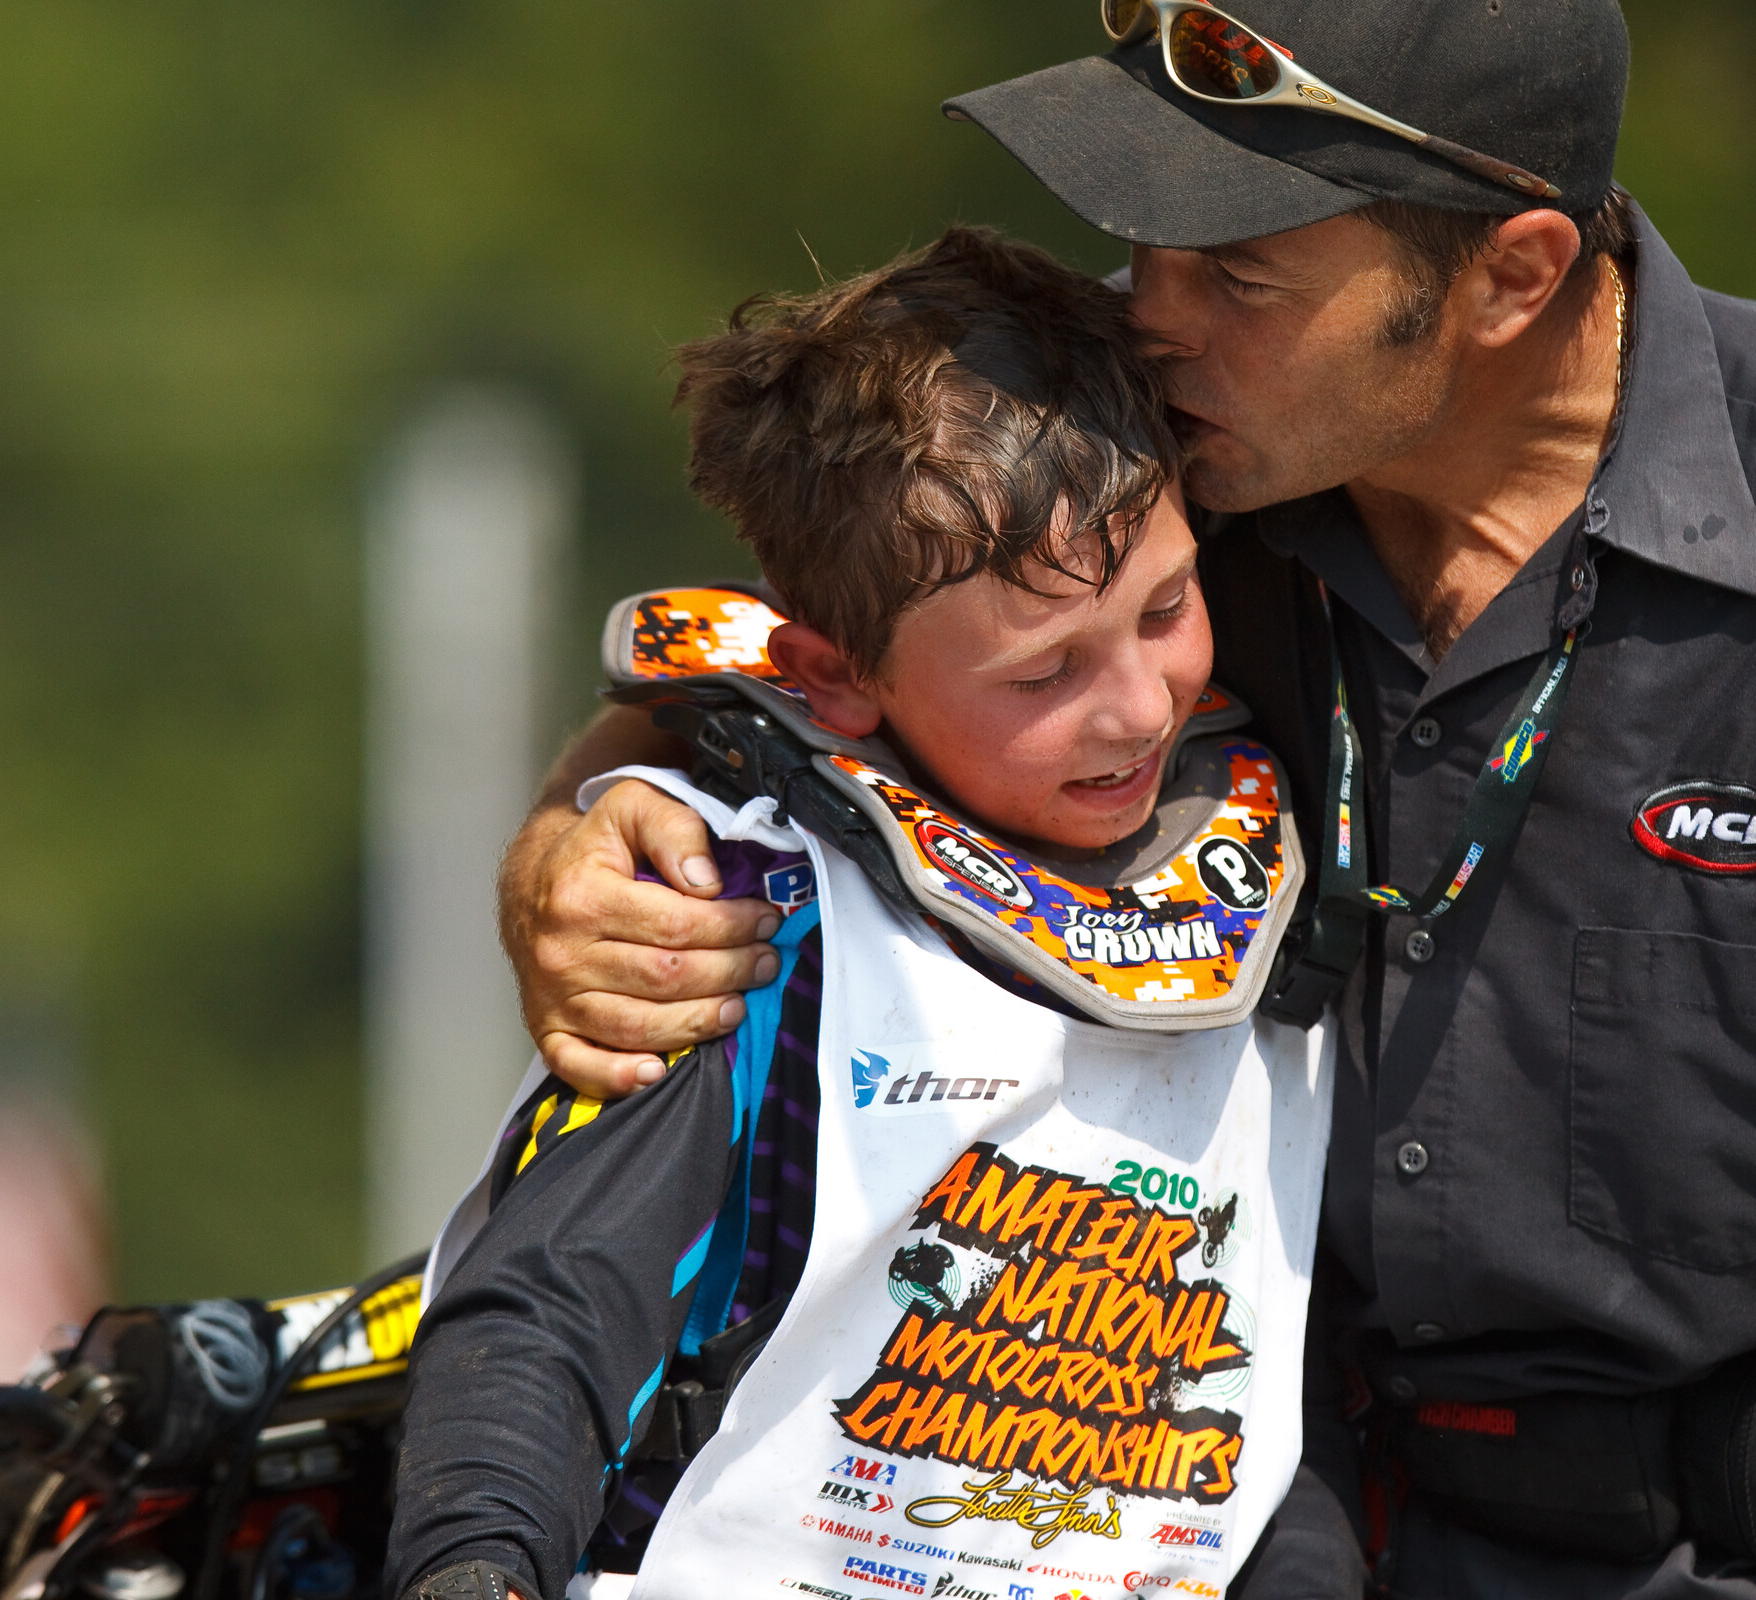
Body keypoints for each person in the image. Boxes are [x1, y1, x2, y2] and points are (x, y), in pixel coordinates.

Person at [496, 1, 1756, 1596]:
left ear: (1513, 276)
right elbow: (787, 675)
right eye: (1148, 239)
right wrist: (572, 851)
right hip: (1299, 1535)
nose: (1150, 314)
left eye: (1236, 270)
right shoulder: (1156, 468)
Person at [392, 228, 1335, 1600]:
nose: (1137, 705)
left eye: (1168, 609)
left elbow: (1266, 1434)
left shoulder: (1284, 875)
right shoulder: (748, 906)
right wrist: (472, 1563)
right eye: (1041, 675)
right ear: (835, 682)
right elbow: (550, 1308)